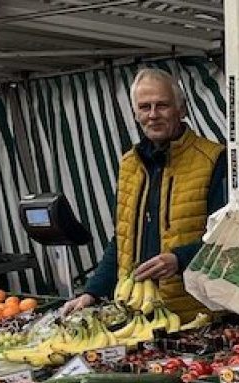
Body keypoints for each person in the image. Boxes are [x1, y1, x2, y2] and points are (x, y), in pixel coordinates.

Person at [64, 68, 227, 320]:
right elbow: (121, 241)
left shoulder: (213, 159)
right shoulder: (129, 164)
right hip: (138, 310)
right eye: (144, 107)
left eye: (162, 105)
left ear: (181, 110)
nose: (152, 115)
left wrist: (179, 259)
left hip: (196, 314)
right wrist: (91, 293)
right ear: (135, 113)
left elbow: (227, 239)